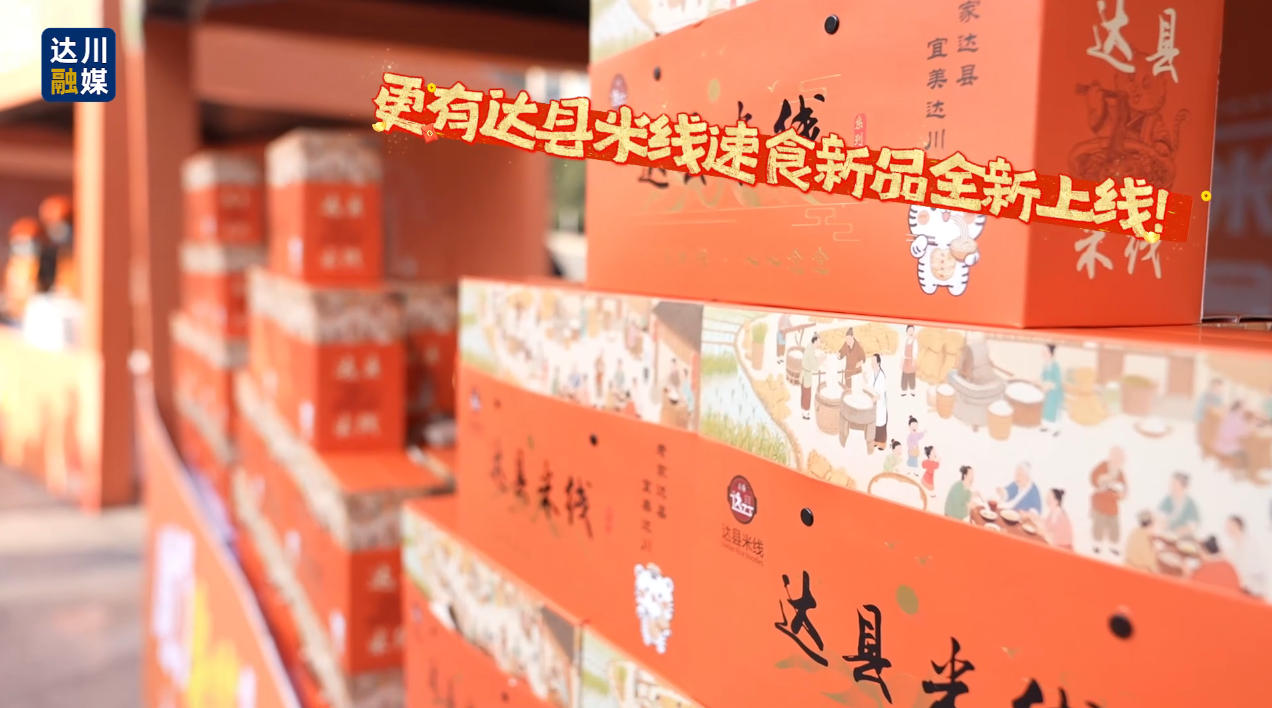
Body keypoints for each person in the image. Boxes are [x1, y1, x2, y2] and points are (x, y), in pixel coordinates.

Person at [1090, 446, 1128, 556]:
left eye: (1120, 458)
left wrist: (1121, 493)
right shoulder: (1103, 466)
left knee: (1114, 525)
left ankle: (1113, 545)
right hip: (1100, 501)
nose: (1118, 460)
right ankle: (1097, 543)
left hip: (1112, 503)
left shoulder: (1120, 472)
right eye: (1116, 457)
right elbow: (1093, 477)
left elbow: (1124, 487)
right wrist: (1102, 479)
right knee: (1099, 523)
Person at [1225, 515, 1266, 598]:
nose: (1228, 530)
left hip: (1254, 590)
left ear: (1238, 526)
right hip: (1240, 590)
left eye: (1230, 526)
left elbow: (1255, 568)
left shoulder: (1251, 544)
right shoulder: (1232, 549)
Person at [1157, 471, 1200, 537]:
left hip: (1183, 537)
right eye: (1171, 484)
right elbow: (1160, 517)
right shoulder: (1167, 500)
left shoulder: (1190, 504)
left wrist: (1185, 530)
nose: (1172, 487)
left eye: (1175, 485)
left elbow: (1193, 524)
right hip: (1166, 535)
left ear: (1183, 487)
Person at [1215, 401, 1252, 470]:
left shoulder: (1228, 414)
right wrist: (1249, 425)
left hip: (1219, 443)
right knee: (1245, 455)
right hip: (1229, 445)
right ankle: (1242, 470)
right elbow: (1245, 434)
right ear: (1241, 408)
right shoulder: (1239, 418)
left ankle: (1223, 464)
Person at [1039, 344, 1063, 436]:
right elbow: (1042, 376)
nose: (1043, 354)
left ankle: (1056, 429)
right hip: (1047, 393)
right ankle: (1046, 426)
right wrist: (1038, 381)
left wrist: (1049, 385)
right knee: (1046, 409)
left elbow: (1058, 381)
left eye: (1045, 352)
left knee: (1054, 411)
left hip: (1055, 393)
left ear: (1051, 354)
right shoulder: (1045, 365)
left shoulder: (1055, 366)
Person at [865, 354, 889, 450]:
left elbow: (883, 392)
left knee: (880, 425)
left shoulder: (882, 376)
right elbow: (870, 384)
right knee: (875, 423)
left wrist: (876, 397)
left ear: (878, 363)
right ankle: (875, 441)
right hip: (875, 403)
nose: (872, 364)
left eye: (874, 362)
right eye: (871, 362)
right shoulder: (874, 373)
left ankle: (882, 443)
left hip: (881, 404)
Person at [800, 334, 824, 420]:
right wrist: (821, 360)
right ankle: (805, 413)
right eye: (819, 342)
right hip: (806, 375)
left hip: (804, 373)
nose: (819, 344)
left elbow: (812, 360)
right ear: (815, 341)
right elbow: (814, 367)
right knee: (807, 394)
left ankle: (804, 411)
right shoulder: (811, 351)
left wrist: (817, 359)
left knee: (804, 393)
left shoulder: (809, 347)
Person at [838, 328, 866, 393]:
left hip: (856, 371)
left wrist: (860, 363)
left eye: (849, 339)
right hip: (848, 370)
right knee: (847, 389)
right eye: (846, 339)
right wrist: (839, 354)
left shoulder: (857, 346)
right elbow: (842, 352)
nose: (847, 341)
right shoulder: (846, 344)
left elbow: (863, 357)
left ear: (852, 337)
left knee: (856, 390)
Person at [900, 325, 917, 397]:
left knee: (912, 376)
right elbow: (903, 352)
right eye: (909, 330)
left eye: (912, 331)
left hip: (912, 360)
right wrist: (901, 362)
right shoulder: (905, 341)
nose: (911, 332)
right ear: (906, 332)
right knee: (904, 376)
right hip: (906, 360)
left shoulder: (915, 341)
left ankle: (912, 390)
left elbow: (915, 352)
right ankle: (904, 390)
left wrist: (914, 361)